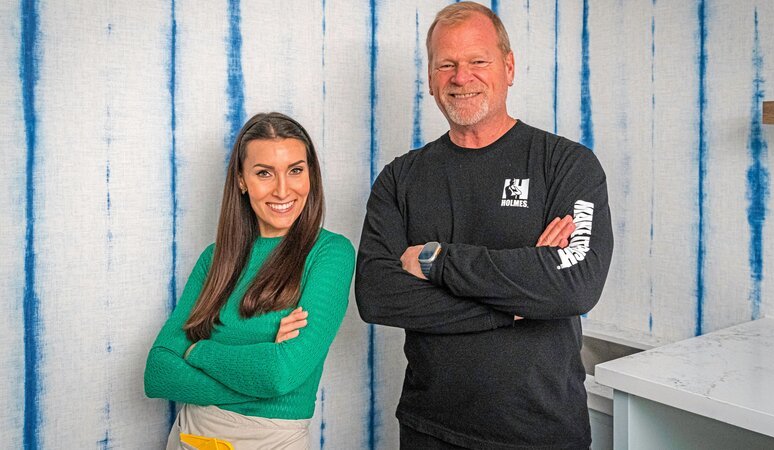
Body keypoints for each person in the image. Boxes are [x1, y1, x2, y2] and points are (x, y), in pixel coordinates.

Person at [355, 3, 613, 449]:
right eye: (447, 65)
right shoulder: (401, 177)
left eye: (478, 61)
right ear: (432, 79)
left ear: (508, 67)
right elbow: (377, 295)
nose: (461, 76)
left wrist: (437, 261)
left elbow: (575, 286)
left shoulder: (567, 165)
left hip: (541, 431)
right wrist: (514, 302)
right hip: (428, 429)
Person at [144, 112, 355, 450]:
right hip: (189, 437)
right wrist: (262, 357)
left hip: (270, 441)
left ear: (310, 175)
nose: (283, 189)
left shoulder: (330, 253)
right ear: (241, 180)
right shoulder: (215, 259)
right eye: (263, 173)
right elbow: (157, 373)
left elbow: (279, 374)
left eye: (296, 170)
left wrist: (197, 350)